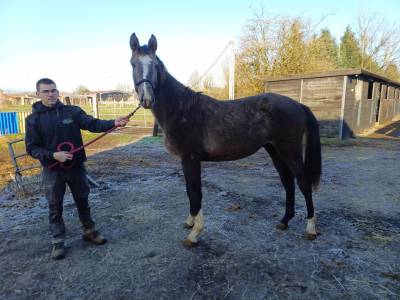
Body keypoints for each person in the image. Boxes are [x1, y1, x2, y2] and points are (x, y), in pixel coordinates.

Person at [25, 78, 129, 260]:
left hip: (75, 167)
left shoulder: (71, 112)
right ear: (38, 94)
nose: (51, 94)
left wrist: (114, 122)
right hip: (53, 170)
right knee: (54, 206)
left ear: (58, 92)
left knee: (83, 200)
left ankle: (89, 231)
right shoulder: (33, 120)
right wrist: (53, 155)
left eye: (53, 90)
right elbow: (32, 148)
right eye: (46, 91)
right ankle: (58, 241)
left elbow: (92, 124)